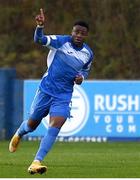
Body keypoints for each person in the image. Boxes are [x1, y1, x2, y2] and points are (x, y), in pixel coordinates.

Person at [9, 8, 94, 175]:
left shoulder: (88, 54)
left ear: (86, 35)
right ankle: (20, 132)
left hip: (63, 95)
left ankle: (36, 161)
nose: (78, 35)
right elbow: (39, 39)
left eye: (82, 33)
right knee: (32, 124)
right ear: (72, 31)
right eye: (76, 31)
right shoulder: (61, 41)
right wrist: (40, 26)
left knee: (57, 123)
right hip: (46, 90)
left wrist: (81, 78)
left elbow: (85, 71)